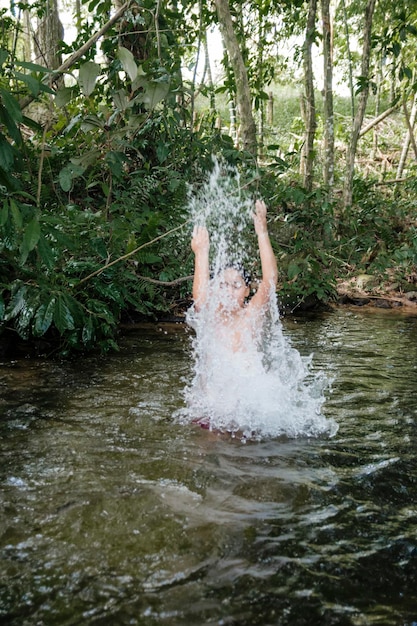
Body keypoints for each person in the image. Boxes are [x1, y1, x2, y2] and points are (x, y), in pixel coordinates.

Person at [190, 199, 278, 353]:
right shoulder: (210, 316)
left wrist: (262, 233)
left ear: (247, 290)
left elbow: (270, 281)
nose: (229, 292)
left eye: (236, 285)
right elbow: (200, 298)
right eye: (222, 285)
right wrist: (201, 252)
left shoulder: (251, 315)